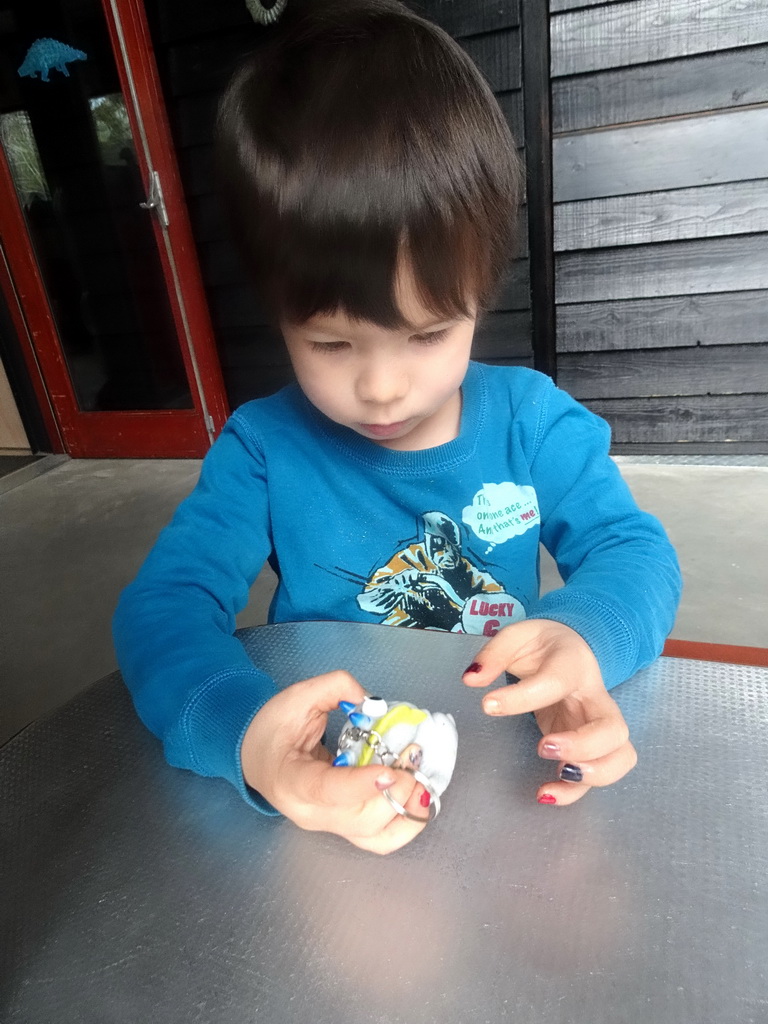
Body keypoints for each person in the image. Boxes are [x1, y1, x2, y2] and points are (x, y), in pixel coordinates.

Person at [113, 0, 681, 855]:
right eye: (332, 342)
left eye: (426, 334)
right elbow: (164, 607)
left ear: (478, 298)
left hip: (504, 771)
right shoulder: (263, 450)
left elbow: (634, 552)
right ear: (278, 315)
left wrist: (584, 635)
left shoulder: (532, 423)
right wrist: (246, 733)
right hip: (326, 781)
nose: (381, 388)